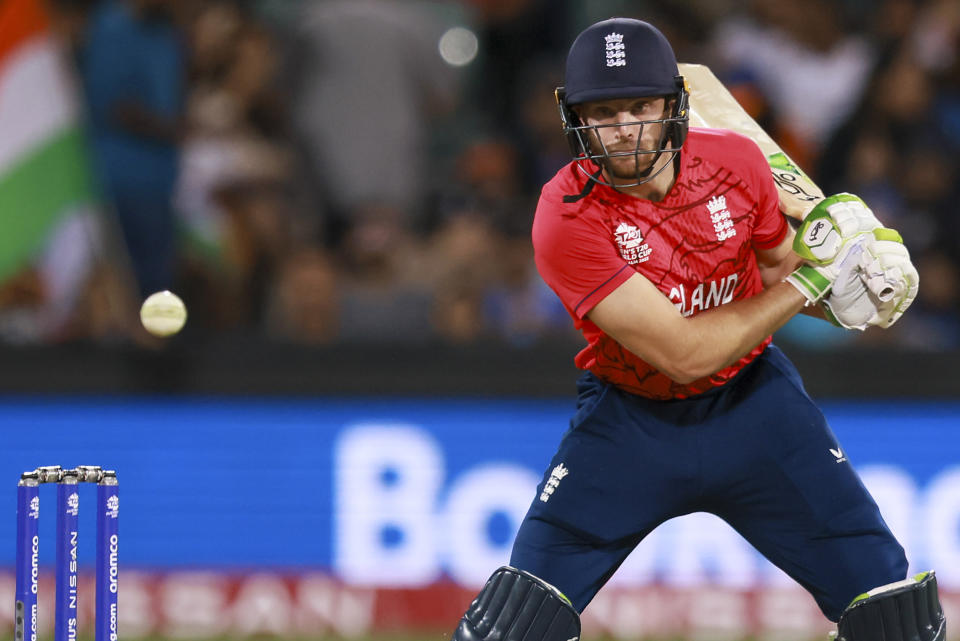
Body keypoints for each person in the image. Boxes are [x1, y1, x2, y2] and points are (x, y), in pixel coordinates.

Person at [449, 18, 941, 641]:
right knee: (511, 629)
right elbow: (684, 353)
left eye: (641, 106)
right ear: (572, 117)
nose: (625, 128)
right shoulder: (565, 216)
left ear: (675, 105)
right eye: (603, 112)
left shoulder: (736, 161)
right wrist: (811, 283)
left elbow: (774, 273)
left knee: (892, 617)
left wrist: (853, 286)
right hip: (630, 423)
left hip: (757, 407)